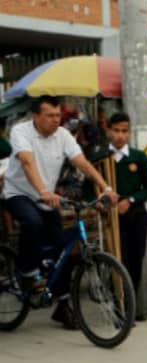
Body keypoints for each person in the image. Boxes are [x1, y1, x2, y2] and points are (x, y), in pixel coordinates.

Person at [2, 96, 119, 328]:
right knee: (33, 222)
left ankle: (64, 306)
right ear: (35, 116)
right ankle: (26, 272)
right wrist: (43, 190)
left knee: (62, 251)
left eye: (58, 115)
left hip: (48, 198)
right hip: (19, 193)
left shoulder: (63, 135)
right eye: (50, 116)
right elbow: (26, 162)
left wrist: (106, 188)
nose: (56, 120)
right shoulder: (20, 132)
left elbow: (82, 163)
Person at [107, 112, 147, 319]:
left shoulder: (138, 157)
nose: (120, 136)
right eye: (116, 131)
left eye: (124, 131)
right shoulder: (101, 158)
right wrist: (108, 201)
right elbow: (89, 189)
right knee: (118, 260)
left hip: (136, 215)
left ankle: (132, 307)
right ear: (108, 131)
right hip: (112, 217)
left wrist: (131, 200)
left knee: (136, 260)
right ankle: (119, 308)